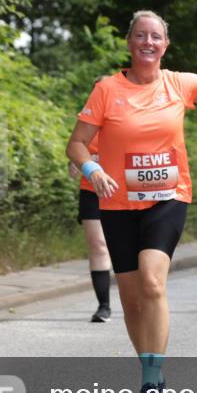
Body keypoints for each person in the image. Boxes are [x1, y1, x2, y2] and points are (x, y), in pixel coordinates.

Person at [67, 10, 197, 393]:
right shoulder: (106, 89)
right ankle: (149, 370)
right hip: (117, 202)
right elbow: (77, 143)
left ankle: (152, 384)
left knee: (152, 283)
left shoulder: (179, 83)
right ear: (129, 42)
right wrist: (92, 168)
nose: (148, 42)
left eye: (155, 37)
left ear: (165, 45)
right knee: (133, 301)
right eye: (140, 36)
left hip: (168, 197)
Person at [69, 81, 113, 323]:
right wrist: (73, 166)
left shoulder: (125, 123)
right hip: (91, 191)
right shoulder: (87, 126)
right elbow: (75, 151)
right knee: (98, 246)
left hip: (123, 193)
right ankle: (103, 306)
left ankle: (142, 296)